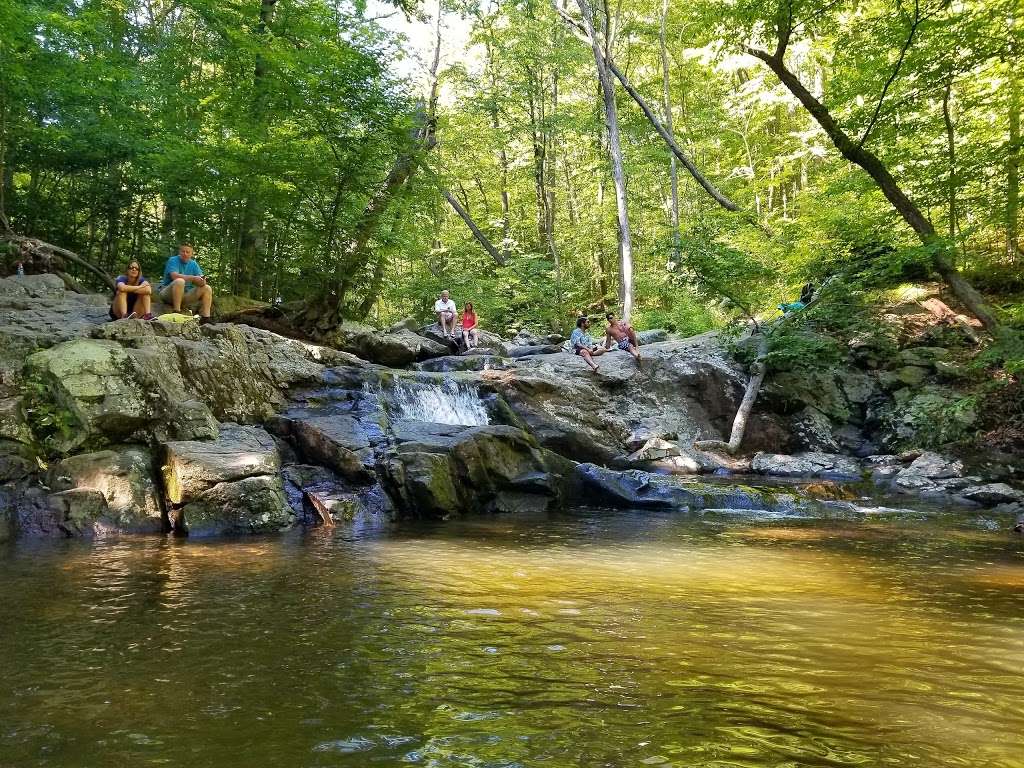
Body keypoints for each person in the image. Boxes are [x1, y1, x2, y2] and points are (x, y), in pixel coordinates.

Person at [159, 244, 213, 321]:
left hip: (184, 296)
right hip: (168, 294)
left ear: (191, 254)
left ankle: (206, 318)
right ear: (179, 252)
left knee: (207, 288)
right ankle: (176, 312)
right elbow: (174, 276)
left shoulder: (193, 264)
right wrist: (193, 278)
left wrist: (202, 280)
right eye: (183, 251)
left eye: (187, 252)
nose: (185, 254)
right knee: (180, 281)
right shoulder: (173, 260)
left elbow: (201, 283)